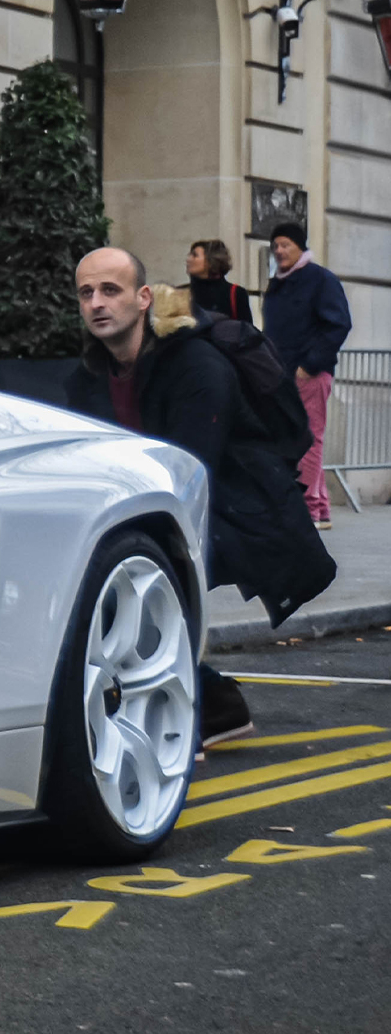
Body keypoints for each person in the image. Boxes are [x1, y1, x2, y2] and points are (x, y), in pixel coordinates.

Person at [64, 249, 335, 741]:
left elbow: (191, 470)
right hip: (154, 505)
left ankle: (188, 710)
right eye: (86, 293)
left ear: (143, 298)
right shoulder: (90, 373)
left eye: (111, 290)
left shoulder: (195, 363)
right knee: (108, 587)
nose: (97, 304)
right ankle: (216, 706)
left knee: (142, 586)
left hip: (233, 505)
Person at [258, 220, 352, 530]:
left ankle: (308, 508)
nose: (279, 251)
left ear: (300, 246)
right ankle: (320, 509)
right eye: (276, 246)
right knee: (297, 438)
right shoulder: (278, 283)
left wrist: (310, 365)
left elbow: (338, 324)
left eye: (285, 245)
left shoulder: (320, 280)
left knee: (309, 438)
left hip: (309, 373)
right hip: (281, 374)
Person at [185, 239, 254, 325]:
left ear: (211, 260)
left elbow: (247, 333)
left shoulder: (235, 293)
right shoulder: (180, 294)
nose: (188, 259)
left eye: (195, 255)